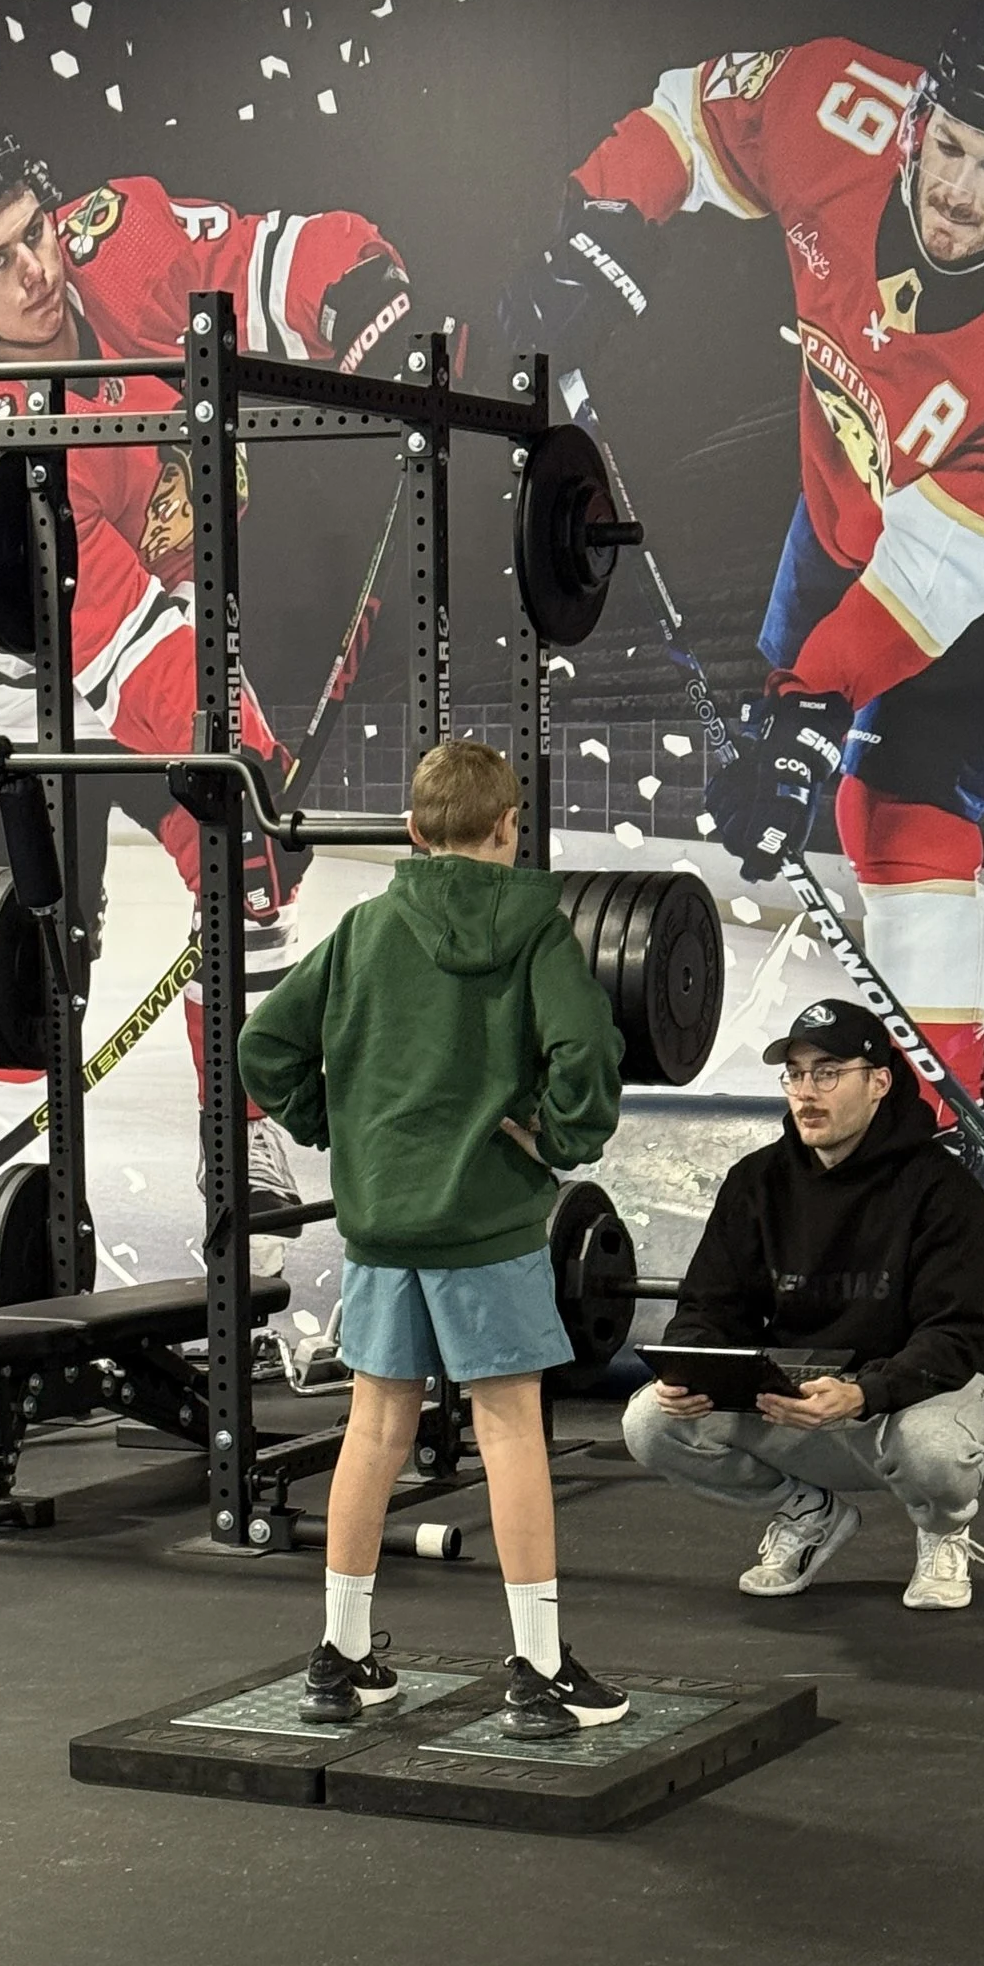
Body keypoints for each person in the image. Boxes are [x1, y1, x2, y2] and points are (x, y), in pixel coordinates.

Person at [505, 0, 984, 1115]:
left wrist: (809, 711)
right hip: (851, 483)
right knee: (802, 710)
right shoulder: (829, 102)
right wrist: (601, 222)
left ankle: (943, 1129)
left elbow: (928, 584)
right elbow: (688, 117)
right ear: (917, 113)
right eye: (948, 144)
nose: (955, 189)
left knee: (892, 814)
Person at [0, 113, 414, 1212]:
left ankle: (239, 1131)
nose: (35, 272)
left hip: (172, 634)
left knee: (248, 895)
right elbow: (99, 625)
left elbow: (248, 254)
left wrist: (347, 284)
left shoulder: (121, 238)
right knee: (13, 989)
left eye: (34, 234)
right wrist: (238, 749)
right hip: (32, 711)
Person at [238, 740, 631, 1738]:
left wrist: (333, 1123)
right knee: (507, 1433)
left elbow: (263, 1046)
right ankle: (538, 1672)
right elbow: (586, 1052)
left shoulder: (365, 930)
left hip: (381, 1224)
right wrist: (561, 1136)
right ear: (508, 828)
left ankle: (341, 1659)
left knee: (374, 1430)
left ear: (413, 833)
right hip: (484, 1226)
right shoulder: (539, 935)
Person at [624, 996, 984, 1608]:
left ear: (880, 1082)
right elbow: (709, 1303)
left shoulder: (947, 1191)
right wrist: (693, 1364)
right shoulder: (756, 1181)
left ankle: (943, 1531)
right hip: (797, 1398)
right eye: (796, 1074)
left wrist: (866, 1392)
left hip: (909, 1398)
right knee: (650, 1421)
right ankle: (808, 1513)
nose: (807, 1092)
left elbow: (953, 1337)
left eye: (828, 1073)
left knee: (936, 1452)